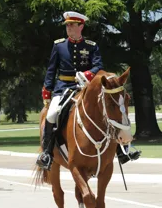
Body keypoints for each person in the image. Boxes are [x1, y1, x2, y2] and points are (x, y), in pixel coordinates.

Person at [37, 11, 141, 170]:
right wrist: (47, 90)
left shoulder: (91, 46)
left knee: (108, 110)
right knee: (51, 115)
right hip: (64, 88)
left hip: (86, 88)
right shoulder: (59, 45)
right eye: (67, 25)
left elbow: (98, 65)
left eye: (72, 25)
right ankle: (47, 153)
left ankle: (122, 150)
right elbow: (51, 70)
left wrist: (88, 74)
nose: (68, 28)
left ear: (81, 26)